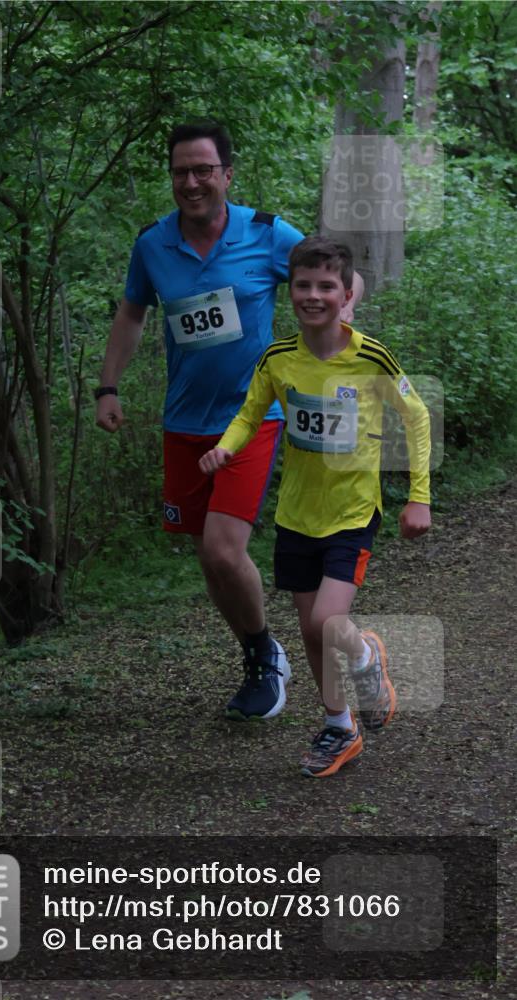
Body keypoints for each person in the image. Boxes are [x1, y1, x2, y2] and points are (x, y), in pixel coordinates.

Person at [95, 121, 362, 722]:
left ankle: (266, 661)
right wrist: (107, 386)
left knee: (222, 549)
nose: (191, 182)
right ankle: (258, 650)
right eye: (181, 172)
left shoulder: (266, 234)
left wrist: (328, 347)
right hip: (183, 421)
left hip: (253, 414)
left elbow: (342, 278)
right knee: (207, 557)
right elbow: (131, 315)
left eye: (203, 171)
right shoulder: (153, 245)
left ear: (227, 175)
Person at [199, 235, 431, 776]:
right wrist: (227, 447)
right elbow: (249, 413)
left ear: (347, 294)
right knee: (310, 630)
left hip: (352, 514)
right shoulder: (279, 359)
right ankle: (340, 727)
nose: (313, 294)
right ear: (291, 293)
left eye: (326, 286)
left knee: (329, 621)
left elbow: (416, 416)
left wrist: (418, 495)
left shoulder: (370, 357)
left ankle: (367, 654)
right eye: (303, 284)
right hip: (296, 516)